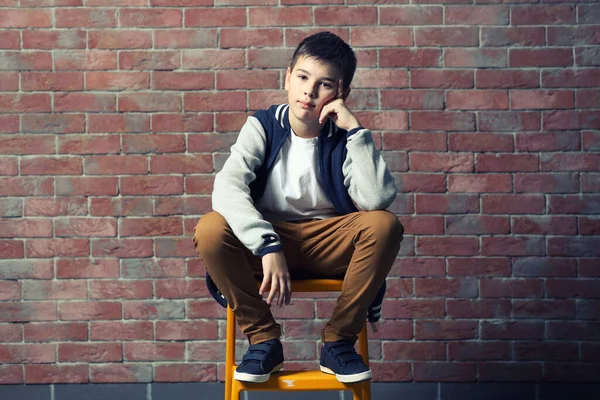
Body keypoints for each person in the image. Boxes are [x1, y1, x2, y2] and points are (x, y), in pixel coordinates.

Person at [192, 32, 403, 384]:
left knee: (384, 224)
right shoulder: (263, 125)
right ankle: (263, 339)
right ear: (287, 77)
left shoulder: (345, 137)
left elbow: (376, 200)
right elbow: (227, 188)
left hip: (328, 244)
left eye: (324, 84)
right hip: (268, 244)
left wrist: (355, 131)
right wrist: (267, 244)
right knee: (210, 229)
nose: (309, 91)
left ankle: (338, 341)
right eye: (303, 78)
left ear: (341, 93)